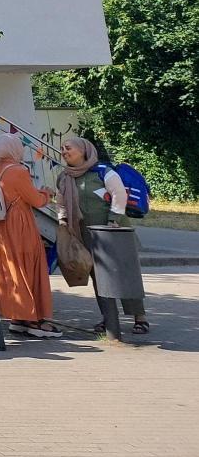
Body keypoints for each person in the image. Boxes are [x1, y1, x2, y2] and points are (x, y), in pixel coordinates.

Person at [59, 135, 148, 335]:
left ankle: (139, 317)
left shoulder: (103, 172)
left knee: (125, 273)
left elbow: (119, 194)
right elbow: (61, 201)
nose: (64, 152)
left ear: (83, 151)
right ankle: (109, 318)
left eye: (68, 148)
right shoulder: (65, 176)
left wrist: (113, 220)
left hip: (115, 231)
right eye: (62, 149)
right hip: (87, 233)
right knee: (98, 276)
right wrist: (62, 220)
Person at [0, 135, 60, 338]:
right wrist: (47, 194)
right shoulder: (18, 171)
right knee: (28, 266)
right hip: (19, 224)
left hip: (0, 226)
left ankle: (18, 317)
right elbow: (35, 200)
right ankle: (33, 320)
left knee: (11, 268)